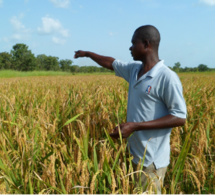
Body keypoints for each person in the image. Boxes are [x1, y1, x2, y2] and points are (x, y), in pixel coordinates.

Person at [74, 25, 187, 194]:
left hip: (151, 161)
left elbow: (179, 117)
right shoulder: (135, 70)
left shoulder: (166, 77)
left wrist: (135, 126)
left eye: (133, 43)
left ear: (147, 44)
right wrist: (88, 54)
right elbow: (111, 62)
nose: (130, 47)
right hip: (134, 154)